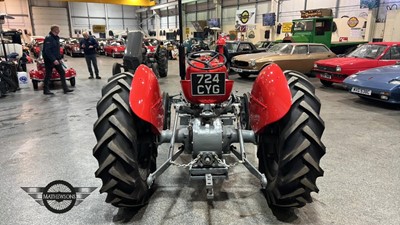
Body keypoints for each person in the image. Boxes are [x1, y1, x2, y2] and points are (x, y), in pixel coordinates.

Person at [42, 24, 73, 95]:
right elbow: (47, 51)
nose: (59, 31)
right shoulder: (49, 38)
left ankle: (65, 88)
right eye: (58, 29)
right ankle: (46, 90)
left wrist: (59, 58)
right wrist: (53, 60)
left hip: (56, 59)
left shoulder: (56, 38)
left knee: (62, 72)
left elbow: (56, 50)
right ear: (54, 30)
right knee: (48, 74)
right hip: (49, 60)